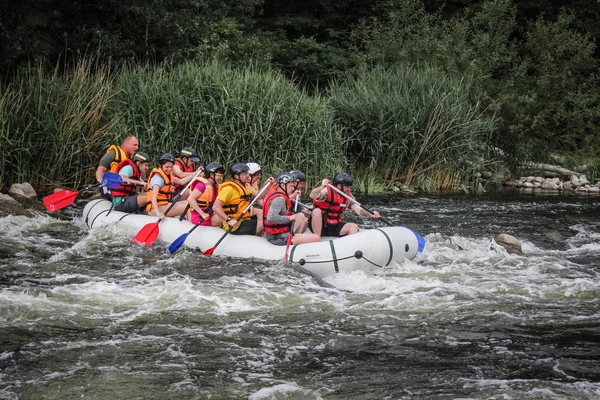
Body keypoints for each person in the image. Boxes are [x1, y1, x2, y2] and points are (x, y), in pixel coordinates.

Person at [309, 172, 380, 237]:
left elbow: (357, 209)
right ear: (339, 186)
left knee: (353, 227)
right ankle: (317, 238)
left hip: (334, 225)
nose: (348, 188)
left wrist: (369, 214)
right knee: (316, 211)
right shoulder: (326, 191)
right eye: (347, 186)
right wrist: (322, 186)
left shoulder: (348, 196)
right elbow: (312, 195)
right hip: (320, 225)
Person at [263, 172, 319, 246]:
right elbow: (271, 218)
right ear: (283, 185)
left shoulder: (279, 194)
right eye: (291, 186)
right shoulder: (279, 199)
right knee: (316, 238)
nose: (293, 188)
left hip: (278, 234)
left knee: (300, 216)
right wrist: (289, 218)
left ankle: (295, 244)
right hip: (277, 238)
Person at [212, 163, 268, 236]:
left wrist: (266, 185)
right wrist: (229, 220)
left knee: (266, 218)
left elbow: (259, 196)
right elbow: (215, 207)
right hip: (234, 225)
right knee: (265, 224)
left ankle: (257, 237)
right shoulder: (228, 189)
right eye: (244, 174)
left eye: (248, 173)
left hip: (244, 219)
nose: (248, 175)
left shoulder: (246, 187)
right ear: (236, 176)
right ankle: (257, 238)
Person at [146, 153, 195, 219]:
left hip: (164, 205)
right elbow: (153, 198)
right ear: (160, 165)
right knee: (186, 207)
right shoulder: (158, 179)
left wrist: (196, 173)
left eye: (171, 167)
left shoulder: (168, 176)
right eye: (167, 167)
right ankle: (190, 224)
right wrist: (158, 213)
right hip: (156, 209)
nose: (169, 169)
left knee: (189, 203)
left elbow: (182, 181)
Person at [187, 162, 225, 226]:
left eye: (221, 176)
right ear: (211, 175)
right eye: (219, 175)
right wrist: (202, 213)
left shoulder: (214, 186)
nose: (221, 178)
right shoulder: (202, 185)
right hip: (199, 216)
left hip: (209, 213)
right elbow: (190, 199)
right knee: (223, 218)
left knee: (225, 215)